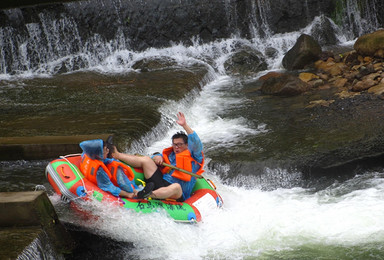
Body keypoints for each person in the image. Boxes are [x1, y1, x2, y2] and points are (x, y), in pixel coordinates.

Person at [111, 112, 204, 201]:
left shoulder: (195, 157)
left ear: (187, 145)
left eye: (179, 144)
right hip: (160, 183)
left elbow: (196, 142)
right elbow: (156, 158)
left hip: (176, 194)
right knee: (146, 160)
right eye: (174, 144)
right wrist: (157, 157)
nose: (176, 147)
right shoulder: (171, 154)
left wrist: (185, 126)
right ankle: (117, 155)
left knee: (176, 186)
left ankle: (146, 194)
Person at [79, 139, 154, 199]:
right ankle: (138, 193)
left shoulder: (87, 154)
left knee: (115, 165)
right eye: (105, 150)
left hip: (94, 180)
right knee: (120, 176)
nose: (108, 151)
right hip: (109, 188)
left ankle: (137, 191)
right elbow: (109, 187)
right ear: (99, 154)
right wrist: (128, 194)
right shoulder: (100, 170)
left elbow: (104, 160)